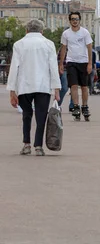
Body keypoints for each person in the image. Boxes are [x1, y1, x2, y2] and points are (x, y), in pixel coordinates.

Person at [6, 19, 61, 156]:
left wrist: (12, 90)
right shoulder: (49, 44)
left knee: (27, 114)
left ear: (26, 30)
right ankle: (38, 146)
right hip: (43, 85)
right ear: (42, 31)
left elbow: (14, 68)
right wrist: (56, 88)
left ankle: (26, 144)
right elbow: (53, 67)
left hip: (24, 85)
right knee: (41, 116)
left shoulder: (19, 44)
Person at [59, 11, 93, 121]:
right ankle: (76, 106)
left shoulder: (85, 33)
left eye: (76, 19)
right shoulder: (66, 34)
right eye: (73, 19)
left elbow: (89, 47)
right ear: (70, 21)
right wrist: (61, 63)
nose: (75, 21)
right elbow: (63, 48)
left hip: (83, 61)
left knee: (84, 86)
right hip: (71, 61)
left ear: (79, 20)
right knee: (73, 85)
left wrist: (90, 63)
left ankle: (85, 106)